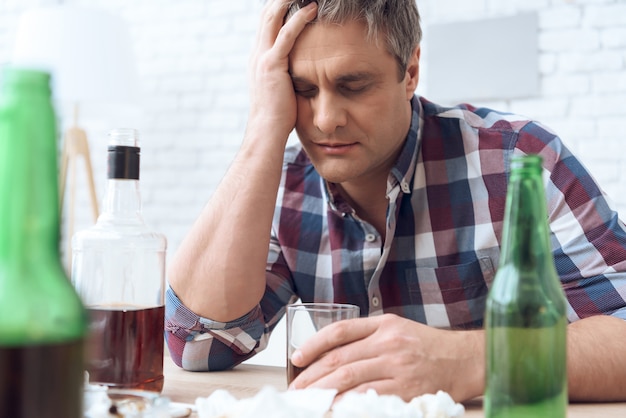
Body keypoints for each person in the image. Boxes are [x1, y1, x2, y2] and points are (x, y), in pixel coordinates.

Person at [165, 0, 626, 403]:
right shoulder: (280, 183)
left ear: (410, 72)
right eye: (303, 90)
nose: (325, 120)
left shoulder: (518, 160)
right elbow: (198, 343)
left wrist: (469, 361)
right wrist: (263, 128)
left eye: (354, 85)